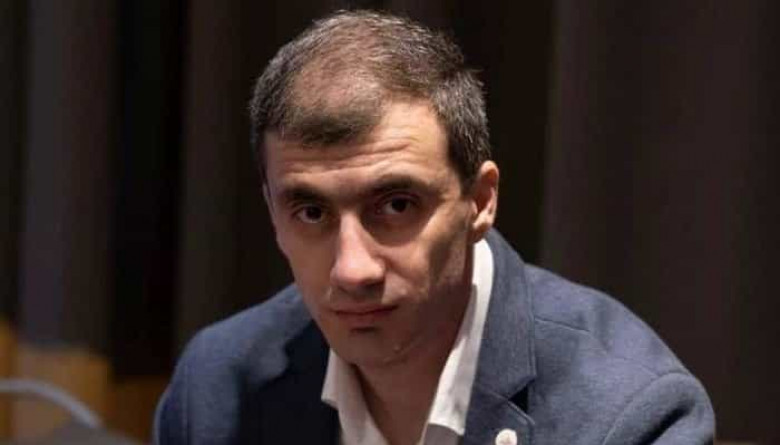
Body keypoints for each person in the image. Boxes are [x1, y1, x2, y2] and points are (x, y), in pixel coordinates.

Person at [154, 10, 715, 445]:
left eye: (396, 205)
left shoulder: (627, 413)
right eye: (312, 213)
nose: (352, 270)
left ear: (481, 201)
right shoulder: (216, 389)